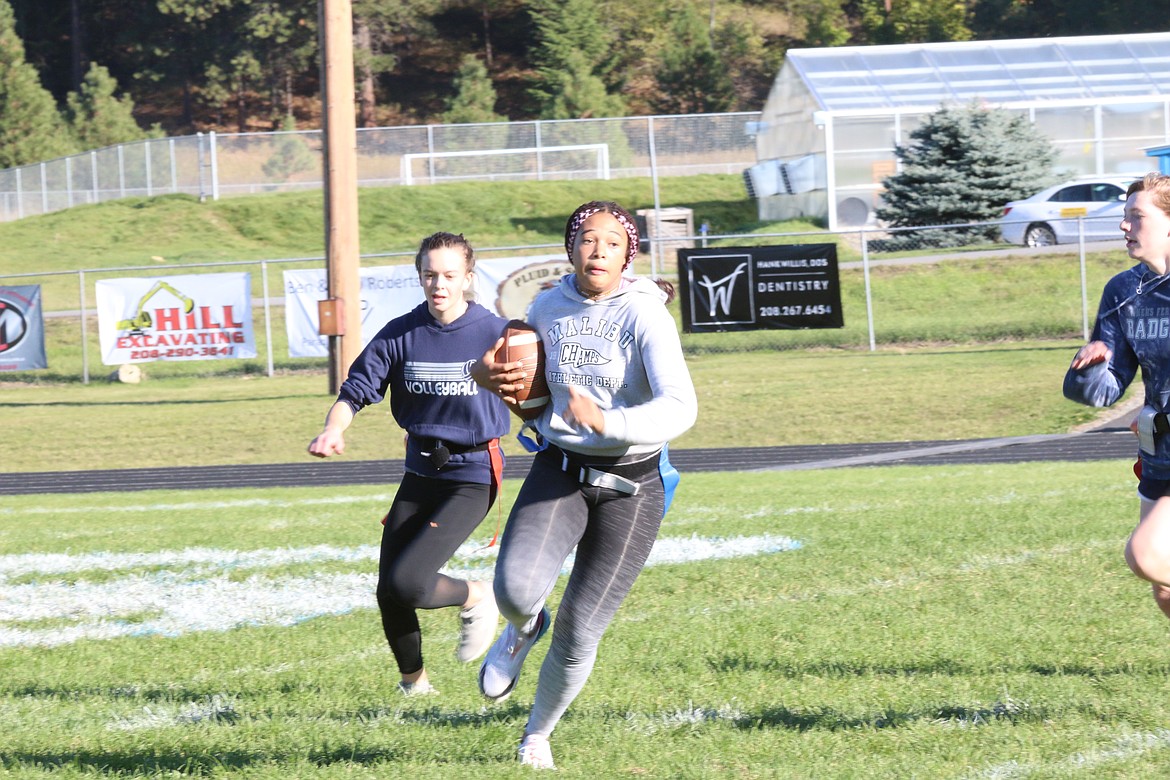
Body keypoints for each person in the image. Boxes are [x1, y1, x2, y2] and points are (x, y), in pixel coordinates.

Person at [471, 201, 698, 769]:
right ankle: (525, 628)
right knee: (515, 591)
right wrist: (487, 377)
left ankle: (536, 736)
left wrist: (611, 422)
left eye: (612, 243)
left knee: (581, 629)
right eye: (587, 240)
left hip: (634, 484)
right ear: (571, 248)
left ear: (629, 256)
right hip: (562, 469)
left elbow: (681, 406)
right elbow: (533, 398)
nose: (599, 251)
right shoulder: (547, 307)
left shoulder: (647, 316)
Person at [307, 231, 510, 696]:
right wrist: (334, 428)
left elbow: (535, 387)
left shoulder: (497, 333)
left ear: (468, 279)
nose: (439, 284)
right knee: (388, 590)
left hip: (472, 476)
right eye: (430, 275)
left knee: (410, 583)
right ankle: (413, 686)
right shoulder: (401, 332)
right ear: (420, 277)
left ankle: (477, 595)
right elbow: (355, 391)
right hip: (419, 473)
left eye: (449, 275)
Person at [1064, 172, 1170, 621]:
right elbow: (1108, 389)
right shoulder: (1123, 290)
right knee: (1164, 586)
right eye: (1125, 217)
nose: (1124, 226)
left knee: (1145, 554)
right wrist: (1089, 369)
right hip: (1159, 450)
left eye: (1136, 216)